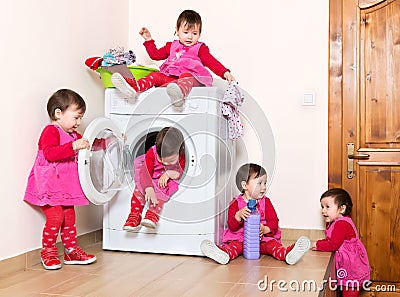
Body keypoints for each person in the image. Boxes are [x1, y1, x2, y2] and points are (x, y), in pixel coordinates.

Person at [24, 89, 96, 270]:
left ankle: (71, 250)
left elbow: (90, 143)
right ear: (58, 114)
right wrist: (73, 146)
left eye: (80, 118)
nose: (79, 122)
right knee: (55, 217)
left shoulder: (74, 136)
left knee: (69, 218)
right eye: (76, 117)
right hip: (48, 185)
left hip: (65, 187)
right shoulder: (51, 131)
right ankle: (48, 250)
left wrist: (110, 140)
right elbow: (49, 154)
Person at [111, 9, 235, 111]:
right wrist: (148, 40)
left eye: (195, 33)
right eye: (186, 32)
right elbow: (155, 55)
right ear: (177, 30)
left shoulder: (200, 48)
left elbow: (211, 62)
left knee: (186, 76)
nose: (190, 37)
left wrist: (225, 73)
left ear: (199, 34)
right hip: (171, 80)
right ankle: (133, 87)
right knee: (155, 75)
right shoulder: (171, 46)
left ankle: (179, 96)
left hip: (191, 79)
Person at [200, 163, 311, 265]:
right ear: (245, 185)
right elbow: (232, 226)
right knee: (234, 247)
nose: (263, 187)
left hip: (262, 240)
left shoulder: (265, 202)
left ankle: (287, 254)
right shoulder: (235, 203)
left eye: (265, 183)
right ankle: (223, 254)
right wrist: (238, 215)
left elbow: (274, 221)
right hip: (241, 239)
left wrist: (265, 229)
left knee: (272, 246)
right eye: (259, 183)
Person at [123, 127, 186, 231]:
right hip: (148, 175)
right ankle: (134, 216)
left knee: (162, 189)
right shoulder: (152, 153)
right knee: (139, 190)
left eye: (170, 161)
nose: (166, 163)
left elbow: (180, 172)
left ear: (180, 151)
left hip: (164, 178)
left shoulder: (181, 155)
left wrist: (169, 173)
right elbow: (145, 172)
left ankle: (152, 215)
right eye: (161, 159)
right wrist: (148, 188)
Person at [312, 188, 371, 297]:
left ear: (342, 209)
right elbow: (332, 239)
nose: (323, 211)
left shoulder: (341, 224)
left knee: (350, 293)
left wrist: (318, 245)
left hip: (352, 268)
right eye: (322, 207)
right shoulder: (338, 222)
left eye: (327, 207)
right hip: (350, 267)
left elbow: (333, 244)